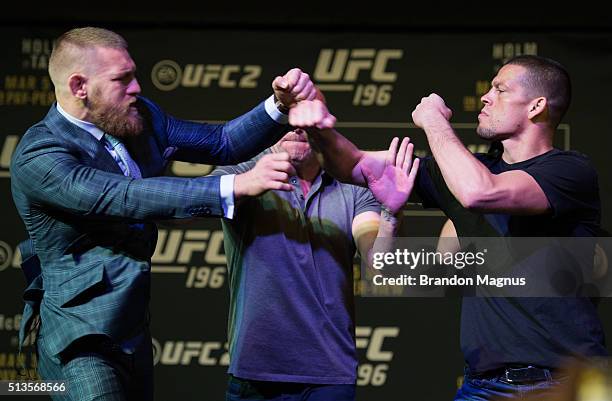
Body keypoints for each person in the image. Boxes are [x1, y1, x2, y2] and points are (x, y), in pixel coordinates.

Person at [10, 26, 317, 401]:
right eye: (121, 79)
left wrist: (278, 105)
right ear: (79, 87)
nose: (137, 87)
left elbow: (220, 144)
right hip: (80, 337)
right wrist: (233, 186)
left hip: (132, 327)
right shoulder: (39, 155)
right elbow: (120, 197)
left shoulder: (138, 117)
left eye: (134, 74)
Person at [288, 55, 606, 399]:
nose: (485, 97)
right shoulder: (469, 171)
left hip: (559, 384)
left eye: (499, 90)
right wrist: (319, 127)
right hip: (481, 386)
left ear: (536, 106)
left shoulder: (569, 171)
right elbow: (355, 165)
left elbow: (479, 192)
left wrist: (433, 122)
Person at [211, 111, 419, 399]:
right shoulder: (241, 175)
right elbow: (180, 211)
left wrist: (392, 213)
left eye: (306, 122)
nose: (296, 128)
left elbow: (380, 265)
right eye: (286, 119)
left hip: (329, 376)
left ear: (324, 129)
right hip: (256, 372)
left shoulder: (353, 188)